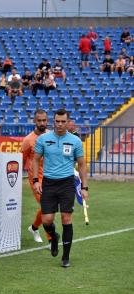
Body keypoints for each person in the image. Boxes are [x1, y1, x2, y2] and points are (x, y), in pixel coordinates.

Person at [33, 109, 88, 268]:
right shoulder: (43, 139)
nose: (60, 124)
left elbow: (82, 165)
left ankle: (65, 256)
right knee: (47, 220)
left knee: (66, 218)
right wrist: (36, 180)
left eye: (63, 121)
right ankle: (54, 237)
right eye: (57, 121)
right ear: (53, 121)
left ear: (68, 122)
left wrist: (84, 187)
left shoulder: (75, 141)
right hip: (49, 183)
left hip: (67, 184)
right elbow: (36, 160)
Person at [21, 110, 51, 243]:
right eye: (39, 120)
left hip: (51, 177)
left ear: (47, 120)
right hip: (36, 179)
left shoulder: (52, 136)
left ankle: (34, 228)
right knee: (47, 208)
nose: (42, 123)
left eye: (44, 120)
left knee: (50, 208)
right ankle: (51, 241)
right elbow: (20, 160)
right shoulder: (28, 140)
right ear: (35, 121)